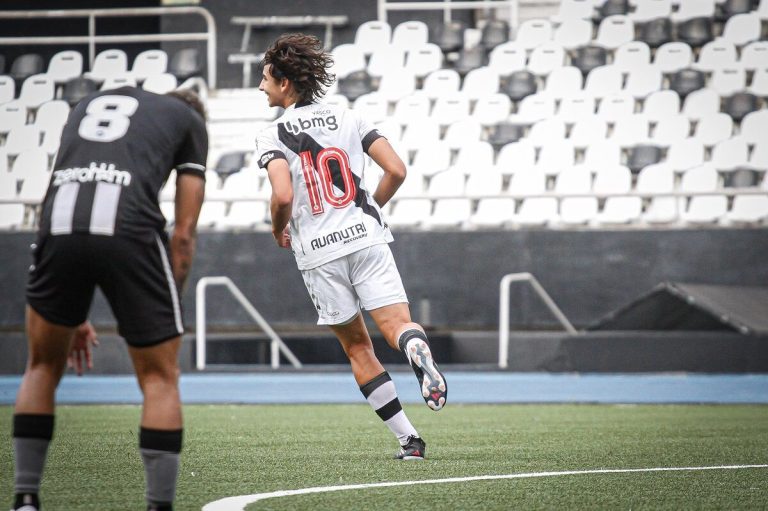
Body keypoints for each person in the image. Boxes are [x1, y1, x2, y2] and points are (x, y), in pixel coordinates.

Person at [12, 86, 208, 511]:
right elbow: (184, 235)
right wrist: (167, 300)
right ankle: (159, 506)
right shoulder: (189, 119)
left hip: (58, 226)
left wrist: (71, 309)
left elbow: (59, 190)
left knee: (41, 366)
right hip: (129, 227)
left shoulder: (85, 105)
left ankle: (25, 498)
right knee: (159, 377)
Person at [256, 33, 447, 460]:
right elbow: (396, 170)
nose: (262, 86)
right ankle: (416, 347)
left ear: (286, 83)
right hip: (366, 237)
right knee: (398, 327)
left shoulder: (272, 135)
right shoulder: (350, 117)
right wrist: (368, 209)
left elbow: (283, 197)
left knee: (359, 348)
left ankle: (409, 441)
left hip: (320, 253)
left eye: (266, 78)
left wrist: (277, 229)